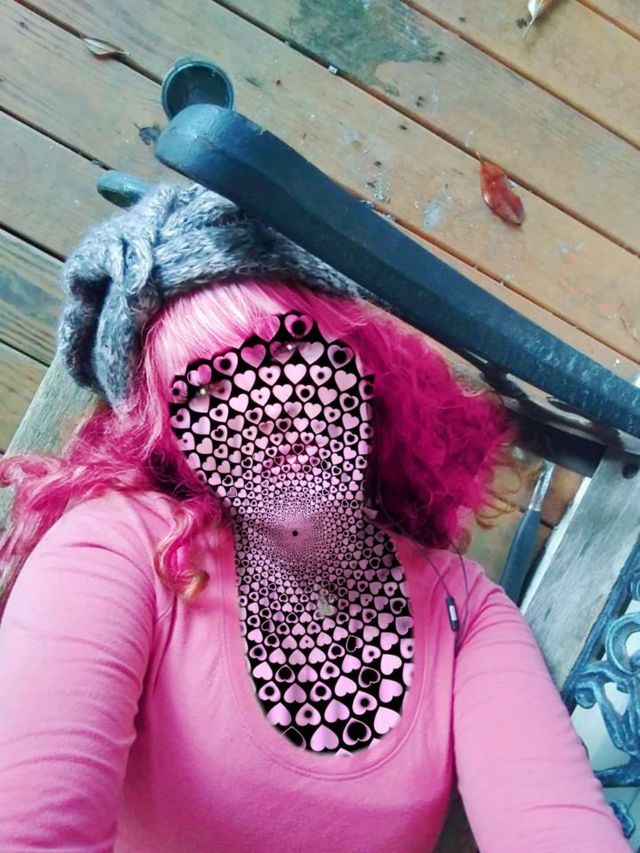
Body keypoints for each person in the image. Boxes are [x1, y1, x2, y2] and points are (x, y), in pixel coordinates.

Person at [0, 183, 631, 852]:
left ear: (362, 366)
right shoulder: (121, 551)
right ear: (173, 444)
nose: (263, 407)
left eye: (286, 346)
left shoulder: (463, 614)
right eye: (205, 389)